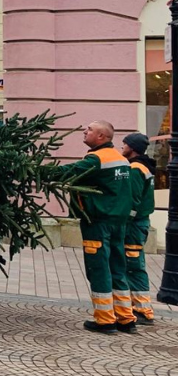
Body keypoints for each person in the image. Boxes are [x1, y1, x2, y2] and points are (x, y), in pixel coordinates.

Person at [59, 121, 136, 334]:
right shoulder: (121, 160)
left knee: (99, 269)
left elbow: (68, 171)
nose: (85, 131)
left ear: (101, 136)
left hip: (98, 222)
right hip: (118, 223)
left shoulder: (97, 159)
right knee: (117, 269)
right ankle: (126, 319)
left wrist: (34, 171)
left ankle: (105, 320)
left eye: (90, 129)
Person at [120, 132, 157, 325]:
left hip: (134, 226)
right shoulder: (145, 167)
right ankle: (139, 307)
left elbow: (132, 200)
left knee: (133, 266)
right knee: (135, 264)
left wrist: (123, 224)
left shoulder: (135, 168)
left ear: (132, 148)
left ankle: (143, 310)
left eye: (124, 144)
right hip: (141, 223)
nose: (122, 146)